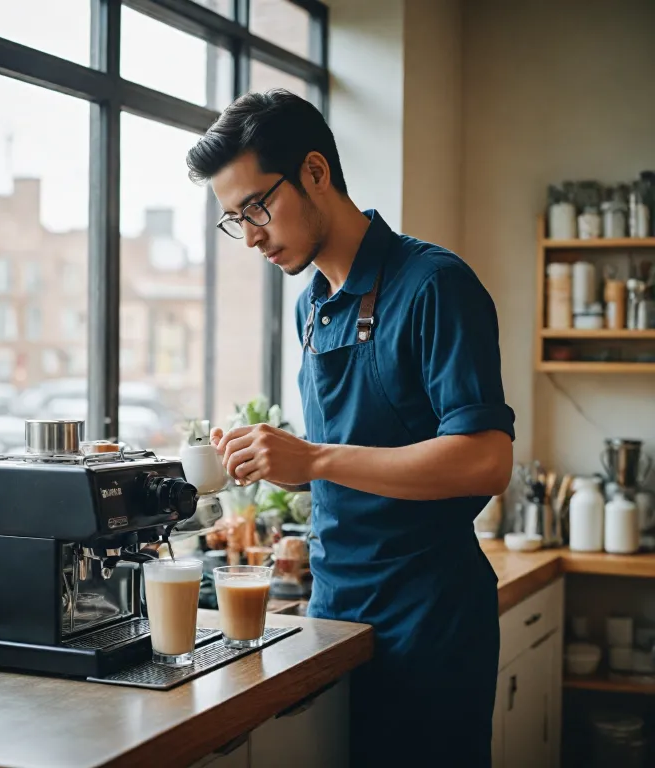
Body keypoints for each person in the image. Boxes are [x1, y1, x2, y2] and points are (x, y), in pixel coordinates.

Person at [186, 89, 515, 767]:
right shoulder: (312, 306)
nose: (249, 235)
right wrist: (277, 465)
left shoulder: (434, 286)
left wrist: (314, 460)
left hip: (428, 618)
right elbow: (356, 458)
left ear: (314, 172)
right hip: (333, 610)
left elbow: (486, 460)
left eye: (257, 208)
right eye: (233, 220)